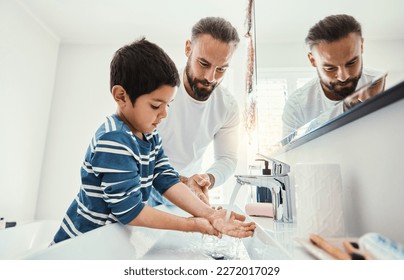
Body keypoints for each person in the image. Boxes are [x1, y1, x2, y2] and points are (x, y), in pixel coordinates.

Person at [51, 38, 255, 245]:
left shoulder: (149, 135)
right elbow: (130, 211)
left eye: (168, 105)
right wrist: (192, 224)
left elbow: (166, 178)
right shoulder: (114, 140)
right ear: (121, 96)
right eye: (156, 106)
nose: (164, 114)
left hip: (106, 242)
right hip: (78, 246)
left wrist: (210, 214)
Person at [148, 17, 241, 207]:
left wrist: (207, 178)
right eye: (204, 64)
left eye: (221, 69)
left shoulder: (228, 107)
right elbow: (136, 150)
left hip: (183, 194)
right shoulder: (156, 88)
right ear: (188, 48)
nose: (210, 77)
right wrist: (179, 182)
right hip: (144, 188)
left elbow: (227, 158)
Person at [282, 14, 386, 138]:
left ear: (361, 46)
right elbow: (289, 154)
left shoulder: (383, 81)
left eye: (351, 63)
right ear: (313, 60)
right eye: (330, 68)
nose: (344, 77)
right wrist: (342, 110)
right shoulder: (297, 105)